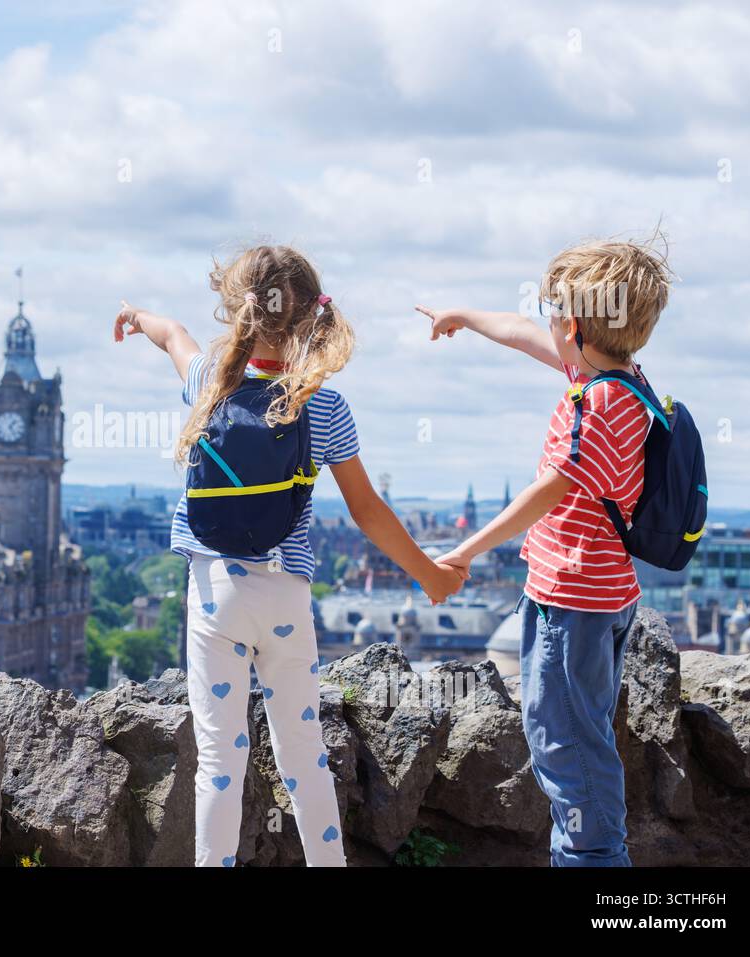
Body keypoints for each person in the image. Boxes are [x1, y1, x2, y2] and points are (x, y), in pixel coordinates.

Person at [114, 243, 465, 867]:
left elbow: (173, 334)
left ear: (234, 310)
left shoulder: (207, 384)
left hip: (215, 594)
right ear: (309, 319)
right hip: (286, 593)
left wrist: (136, 316)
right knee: (303, 751)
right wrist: (429, 575)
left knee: (221, 758)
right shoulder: (322, 404)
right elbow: (368, 512)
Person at [418, 236, 673, 866]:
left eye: (553, 309)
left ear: (576, 325)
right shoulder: (624, 382)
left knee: (568, 748)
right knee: (582, 736)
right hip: (608, 596)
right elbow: (518, 331)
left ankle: (594, 863)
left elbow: (548, 490)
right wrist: (464, 317)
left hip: (571, 601)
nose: (545, 320)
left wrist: (462, 552)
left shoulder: (595, 405)